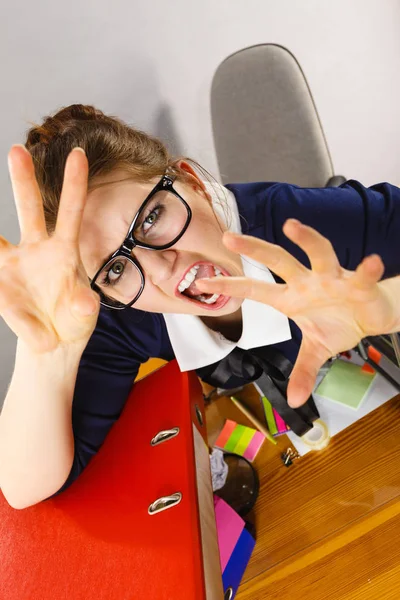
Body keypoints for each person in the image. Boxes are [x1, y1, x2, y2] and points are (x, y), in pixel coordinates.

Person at [1, 103, 400, 509]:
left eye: (151, 218)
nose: (159, 268)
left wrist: (388, 303)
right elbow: (26, 487)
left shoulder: (295, 224)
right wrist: (47, 357)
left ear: (193, 183)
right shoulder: (122, 312)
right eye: (116, 268)